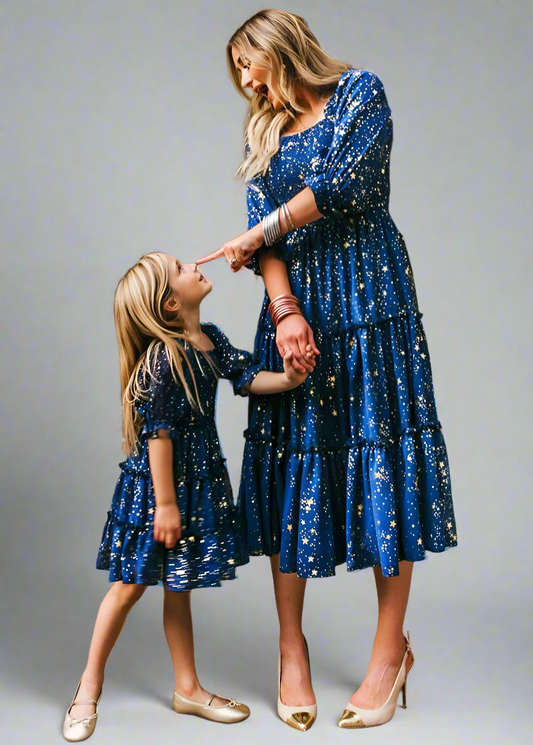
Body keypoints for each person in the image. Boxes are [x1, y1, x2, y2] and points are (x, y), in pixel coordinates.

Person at [197, 8, 457, 731]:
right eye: (237, 74)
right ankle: (290, 648)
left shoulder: (358, 93)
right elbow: (263, 219)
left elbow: (347, 184)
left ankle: (387, 652)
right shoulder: (261, 132)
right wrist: (283, 311)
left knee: (384, 452)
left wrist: (261, 229)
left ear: (280, 48)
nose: (245, 83)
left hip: (372, 298)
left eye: (248, 64)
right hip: (297, 305)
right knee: (290, 466)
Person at [62, 252, 309, 741]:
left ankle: (187, 688)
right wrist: (166, 504)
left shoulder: (207, 338)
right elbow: (158, 435)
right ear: (171, 302)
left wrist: (290, 379)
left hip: (197, 483)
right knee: (129, 587)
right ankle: (87, 688)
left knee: (180, 585)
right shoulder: (164, 357)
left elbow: (245, 377)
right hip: (161, 488)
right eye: (180, 267)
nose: (194, 263)